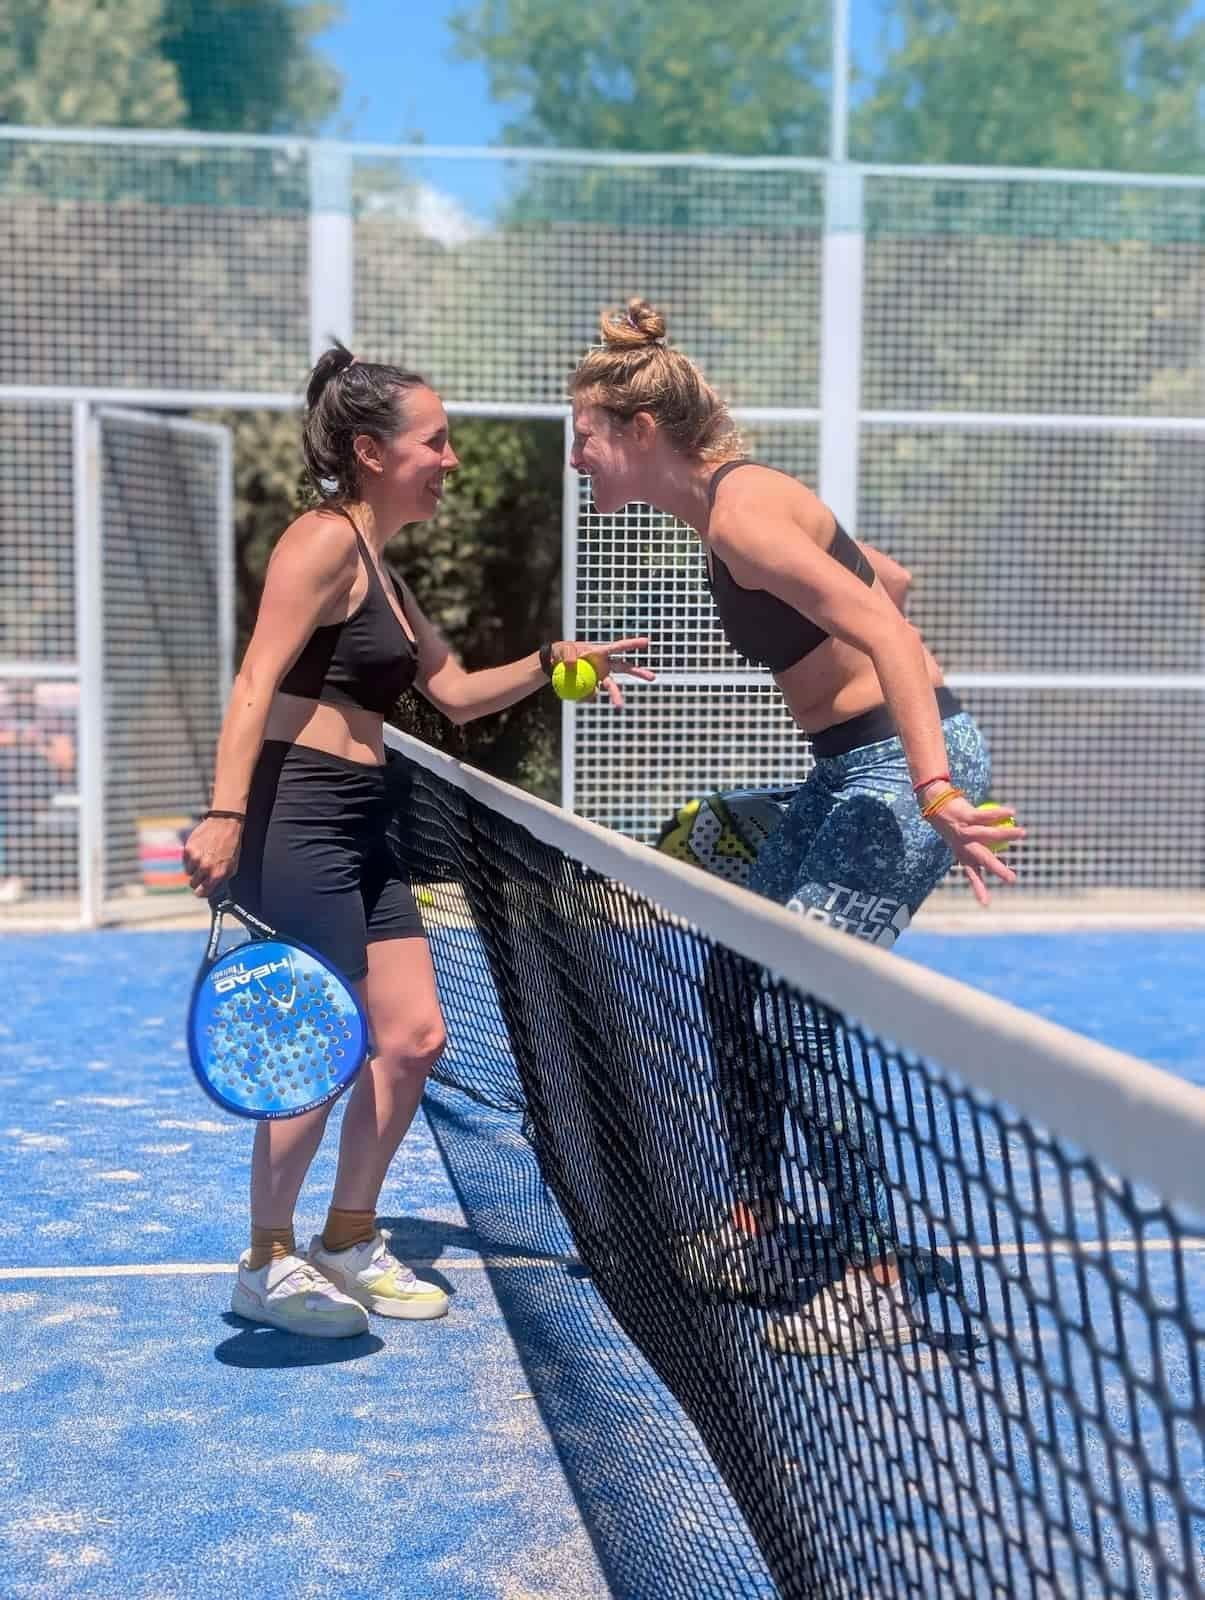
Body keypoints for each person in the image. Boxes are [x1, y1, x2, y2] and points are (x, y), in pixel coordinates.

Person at [569, 300, 1025, 1357]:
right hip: (845, 769)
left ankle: (871, 1277)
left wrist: (932, 790)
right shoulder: (731, 511)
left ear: (638, 434)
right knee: (734, 969)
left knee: (791, 1002)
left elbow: (889, 629)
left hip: (899, 774)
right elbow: (881, 578)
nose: (576, 459)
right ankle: (758, 1229)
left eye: (582, 438)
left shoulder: (738, 513)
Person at [184, 343, 652, 1339]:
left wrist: (549, 660)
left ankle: (346, 1239)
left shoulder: (384, 576)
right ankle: (263, 1262)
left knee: (410, 1038)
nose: (448, 459)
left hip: (367, 819)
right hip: (297, 812)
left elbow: (454, 694)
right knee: (315, 1047)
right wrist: (224, 814)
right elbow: (255, 682)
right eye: (433, 442)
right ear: (368, 450)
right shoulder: (317, 541)